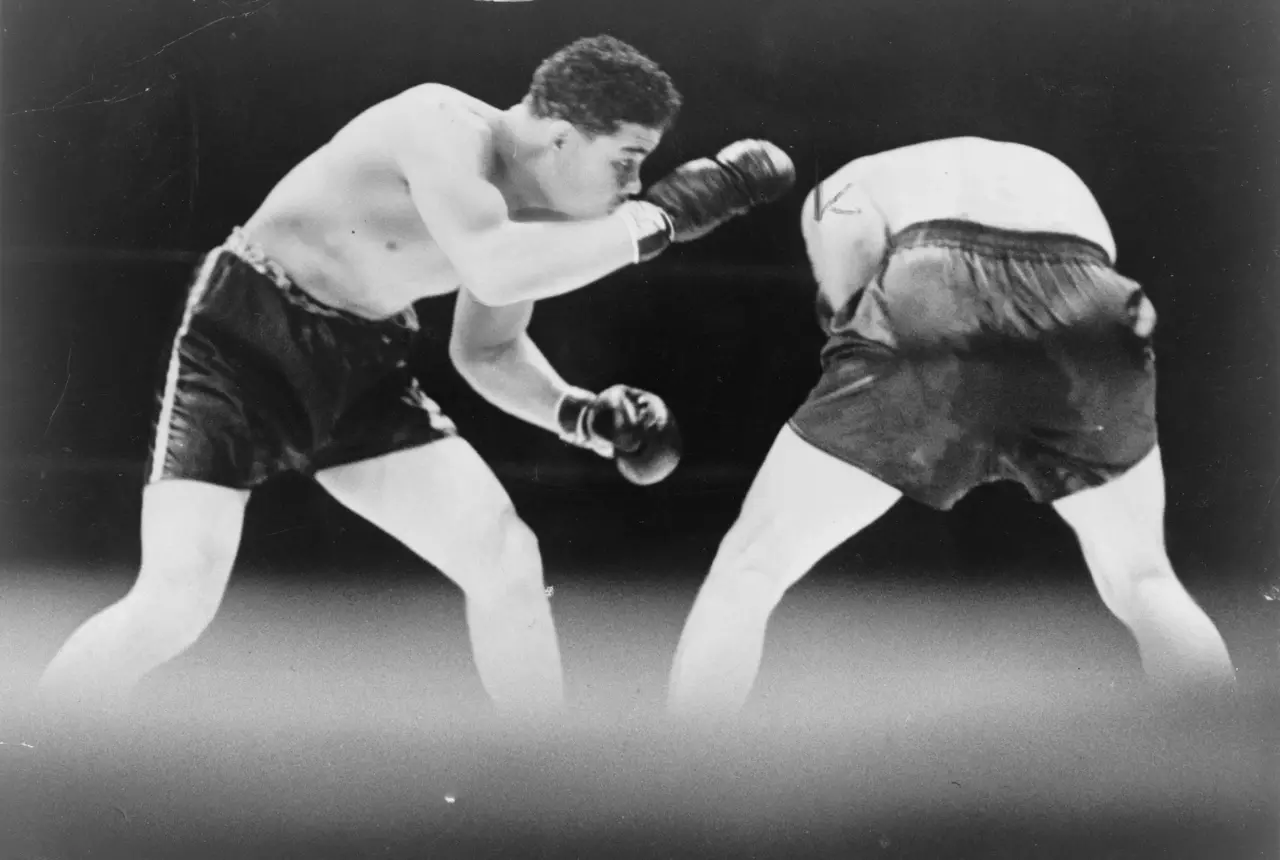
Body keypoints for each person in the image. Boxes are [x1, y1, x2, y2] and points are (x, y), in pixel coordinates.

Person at [35, 34, 795, 719]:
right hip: (246, 348)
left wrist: (579, 414)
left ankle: (547, 783)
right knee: (174, 603)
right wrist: (660, 222)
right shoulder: (438, 124)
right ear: (562, 136)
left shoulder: (546, 223)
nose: (634, 185)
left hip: (364, 368)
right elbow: (496, 269)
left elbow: (488, 351)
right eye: (626, 161)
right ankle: (31, 754)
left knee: (505, 559)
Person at [665, 136, 1236, 718]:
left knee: (750, 566)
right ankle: (1230, 775)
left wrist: (848, 313)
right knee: (1144, 578)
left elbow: (852, 277)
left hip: (936, 287)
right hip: (1093, 304)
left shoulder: (840, 182)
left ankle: (676, 787)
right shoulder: (1038, 169)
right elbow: (1077, 275)